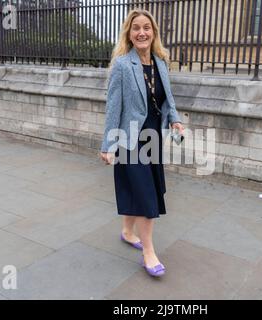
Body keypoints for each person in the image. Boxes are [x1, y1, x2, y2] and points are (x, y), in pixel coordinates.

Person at [99, 9, 184, 277]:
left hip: (154, 137)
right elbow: (113, 108)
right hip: (130, 141)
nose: (142, 32)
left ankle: (127, 231)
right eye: (136, 28)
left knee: (141, 189)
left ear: (154, 32)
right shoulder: (123, 65)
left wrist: (175, 120)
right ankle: (149, 253)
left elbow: (167, 99)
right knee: (147, 195)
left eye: (147, 27)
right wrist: (107, 144)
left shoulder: (161, 62)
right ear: (129, 33)